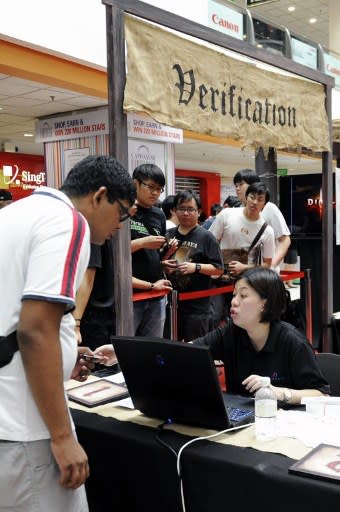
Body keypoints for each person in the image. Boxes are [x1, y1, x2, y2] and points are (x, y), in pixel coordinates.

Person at [0, 155, 136, 512]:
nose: (120, 227)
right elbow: (34, 330)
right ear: (99, 196)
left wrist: (65, 355)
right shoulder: (69, 223)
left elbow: (13, 321)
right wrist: (62, 437)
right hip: (26, 425)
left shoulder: (14, 214)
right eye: (122, 213)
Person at [93, 268, 329, 404]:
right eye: (234, 294)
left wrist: (281, 393)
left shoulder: (292, 341)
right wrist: (123, 353)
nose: (233, 302)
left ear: (265, 304)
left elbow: (320, 394)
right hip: (241, 423)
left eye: (244, 296)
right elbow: (182, 352)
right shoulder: (232, 333)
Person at [163, 190, 224, 341]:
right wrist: (164, 266)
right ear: (174, 211)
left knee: (196, 349)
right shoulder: (168, 234)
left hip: (198, 308)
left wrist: (196, 267)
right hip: (171, 304)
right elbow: (160, 263)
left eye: (190, 209)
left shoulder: (206, 237)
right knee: (171, 347)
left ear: (199, 212)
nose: (186, 213)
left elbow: (219, 269)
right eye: (181, 209)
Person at [130, 164, 175, 337]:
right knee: (125, 349)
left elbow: (155, 251)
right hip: (131, 294)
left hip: (156, 292)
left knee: (152, 348)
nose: (155, 193)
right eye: (150, 187)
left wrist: (164, 259)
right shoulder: (126, 211)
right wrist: (141, 242)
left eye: (159, 189)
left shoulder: (159, 214)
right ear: (136, 184)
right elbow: (114, 253)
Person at [210, 182, 275, 278]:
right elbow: (211, 243)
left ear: (264, 204)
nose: (255, 202)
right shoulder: (226, 214)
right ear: (246, 197)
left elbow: (267, 264)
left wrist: (244, 267)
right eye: (252, 197)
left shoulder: (267, 230)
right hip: (219, 276)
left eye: (260, 199)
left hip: (247, 279)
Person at [233, 169, 291, 271]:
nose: (237, 188)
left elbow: (285, 240)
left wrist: (271, 265)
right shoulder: (237, 210)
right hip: (242, 272)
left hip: (264, 274)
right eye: (236, 185)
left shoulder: (269, 208)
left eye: (241, 184)